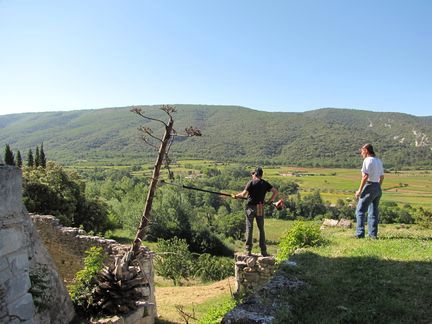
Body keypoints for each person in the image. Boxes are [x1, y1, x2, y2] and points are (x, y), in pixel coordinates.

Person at [232, 167, 278, 256]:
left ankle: (248, 250)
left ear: (255, 174)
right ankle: (263, 251)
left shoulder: (251, 182)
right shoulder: (265, 183)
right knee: (261, 228)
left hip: (250, 207)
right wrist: (271, 200)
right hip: (260, 207)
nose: (252, 176)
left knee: (249, 227)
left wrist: (235, 196)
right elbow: (275, 192)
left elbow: (243, 194)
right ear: (261, 175)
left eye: (252, 174)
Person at [354, 143, 384, 239]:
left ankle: (359, 234)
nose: (361, 153)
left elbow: (365, 176)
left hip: (369, 185)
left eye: (362, 151)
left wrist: (359, 190)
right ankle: (373, 235)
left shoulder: (367, 160)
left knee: (360, 211)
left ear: (366, 150)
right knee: (373, 212)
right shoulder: (378, 161)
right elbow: (382, 177)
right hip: (377, 186)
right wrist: (377, 187)